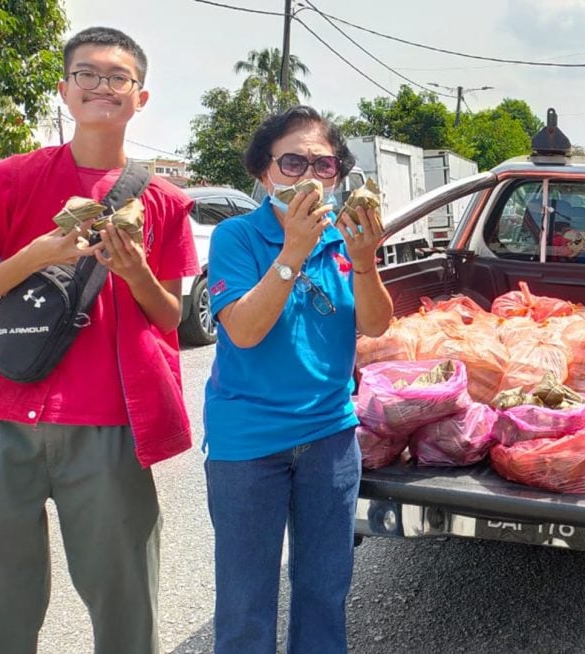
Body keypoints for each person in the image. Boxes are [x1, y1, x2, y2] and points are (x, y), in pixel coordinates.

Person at [0, 27, 198, 653]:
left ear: (140, 97)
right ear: (64, 88)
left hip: (109, 420)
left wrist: (135, 271)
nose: (101, 86)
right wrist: (33, 256)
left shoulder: (165, 202)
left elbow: (169, 316)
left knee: (125, 603)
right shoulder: (11, 178)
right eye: (87, 73)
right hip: (0, 414)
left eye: (118, 77)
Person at [203, 105, 393, 654]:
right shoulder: (237, 237)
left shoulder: (342, 238)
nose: (308, 175)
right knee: (245, 604)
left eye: (323, 164)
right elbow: (243, 330)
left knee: (324, 592)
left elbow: (376, 324)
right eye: (292, 163)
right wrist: (292, 252)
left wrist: (364, 261)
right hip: (249, 444)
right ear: (264, 173)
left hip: (330, 438)